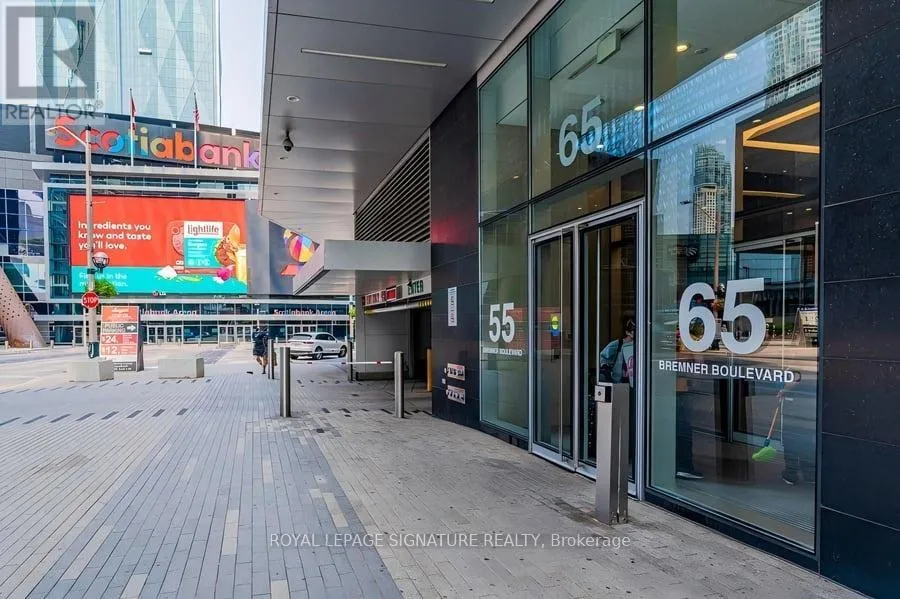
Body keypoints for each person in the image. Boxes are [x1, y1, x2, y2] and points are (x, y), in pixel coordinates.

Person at [599, 318, 636, 470]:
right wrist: (605, 369)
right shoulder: (618, 345)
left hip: (633, 387)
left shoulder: (640, 345)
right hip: (619, 385)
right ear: (627, 332)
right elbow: (603, 357)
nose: (634, 334)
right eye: (632, 331)